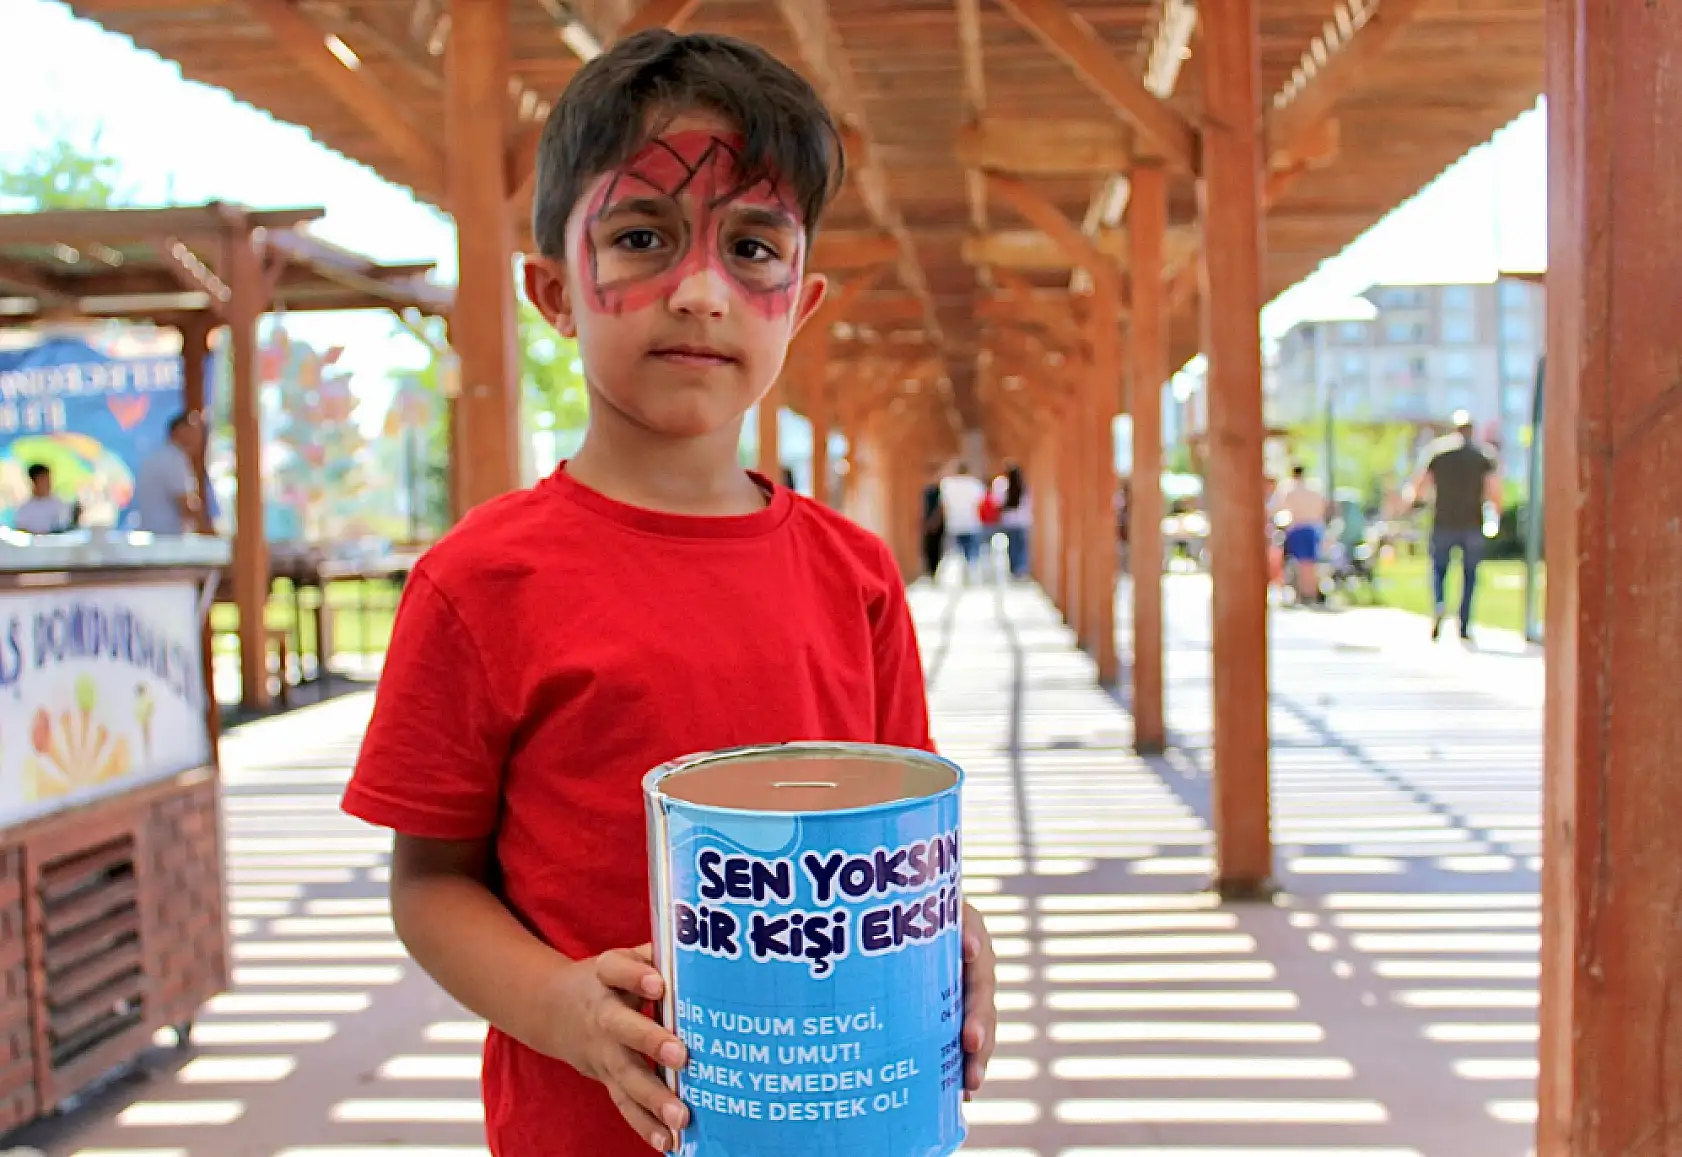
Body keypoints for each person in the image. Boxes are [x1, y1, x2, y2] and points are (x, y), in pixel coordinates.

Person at [339, 31, 996, 1157]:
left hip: (842, 1121)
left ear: (802, 300)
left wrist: (953, 933)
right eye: (641, 237)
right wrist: (563, 1010)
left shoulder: (858, 573)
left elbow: (901, 846)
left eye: (751, 247)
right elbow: (430, 886)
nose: (699, 292)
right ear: (553, 289)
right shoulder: (479, 581)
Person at [1408, 410, 1501, 641]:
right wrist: (1496, 515)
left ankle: (1439, 604)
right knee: (1469, 575)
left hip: (1443, 522)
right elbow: (1494, 490)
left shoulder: (1438, 452)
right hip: (1472, 523)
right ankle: (1464, 623)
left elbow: (1420, 485)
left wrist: (1416, 504)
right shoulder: (1483, 455)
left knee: (1439, 570)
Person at [134, 412, 209, 534]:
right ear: (180, 431)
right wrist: (208, 530)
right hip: (168, 539)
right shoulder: (174, 459)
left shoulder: (158, 456)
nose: (199, 437)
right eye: (194, 430)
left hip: (154, 536)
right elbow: (187, 504)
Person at [1268, 464, 1328, 603]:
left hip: (1297, 527)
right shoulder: (1314, 488)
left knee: (1300, 563)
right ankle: (1311, 591)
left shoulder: (1288, 489)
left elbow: (1277, 508)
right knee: (1310, 563)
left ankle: (1303, 593)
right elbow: (1323, 507)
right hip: (1313, 528)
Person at [938, 461, 988, 580]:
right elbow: (980, 504)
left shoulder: (947, 484)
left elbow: (944, 506)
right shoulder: (975, 484)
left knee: (954, 555)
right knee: (972, 555)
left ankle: (954, 579)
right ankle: (971, 577)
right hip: (971, 523)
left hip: (953, 524)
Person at [13, 464, 72, 535]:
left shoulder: (60, 503)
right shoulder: (24, 508)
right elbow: (21, 531)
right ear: (34, 482)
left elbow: (65, 527)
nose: (48, 483)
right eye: (43, 479)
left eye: (49, 479)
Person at [995, 463, 1031, 579]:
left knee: (1012, 547)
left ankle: (1014, 569)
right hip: (1022, 521)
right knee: (1021, 546)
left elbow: (999, 503)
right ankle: (1021, 569)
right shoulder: (1024, 488)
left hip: (1009, 521)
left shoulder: (1004, 487)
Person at [920, 465, 945, 579]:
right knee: (929, 548)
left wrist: (935, 521)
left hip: (937, 524)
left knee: (936, 548)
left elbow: (941, 507)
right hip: (929, 523)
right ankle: (931, 572)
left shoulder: (940, 490)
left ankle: (934, 572)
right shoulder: (927, 490)